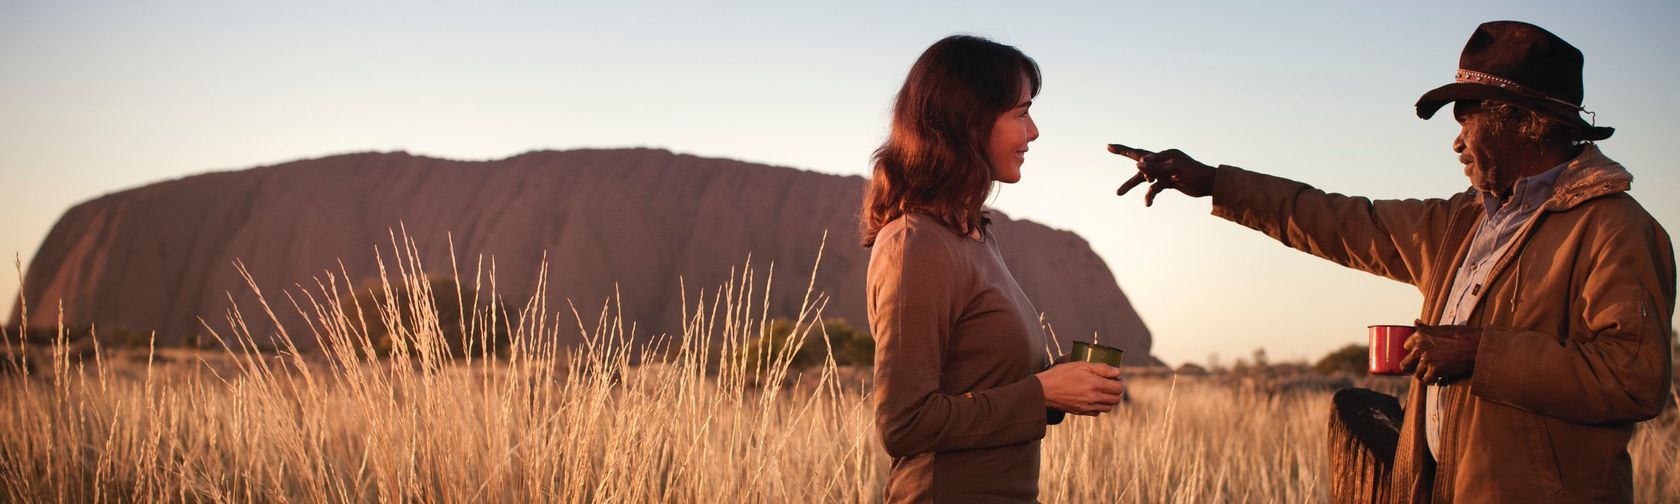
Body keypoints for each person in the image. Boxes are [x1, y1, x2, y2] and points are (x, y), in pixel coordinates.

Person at [1109, 21, 1674, 502]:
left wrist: (1477, 352)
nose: (1456, 143)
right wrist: (1211, 182)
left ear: (1524, 122)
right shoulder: (1461, 222)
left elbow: (1633, 379)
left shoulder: (1613, 228)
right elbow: (1337, 218)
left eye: (1466, 121)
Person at [863, 34, 1127, 503]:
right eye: (1021, 113)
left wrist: (1059, 383)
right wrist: (1040, 394)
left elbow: (982, 386)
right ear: (971, 122)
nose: (1034, 132)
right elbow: (904, 425)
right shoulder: (915, 245)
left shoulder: (973, 237)